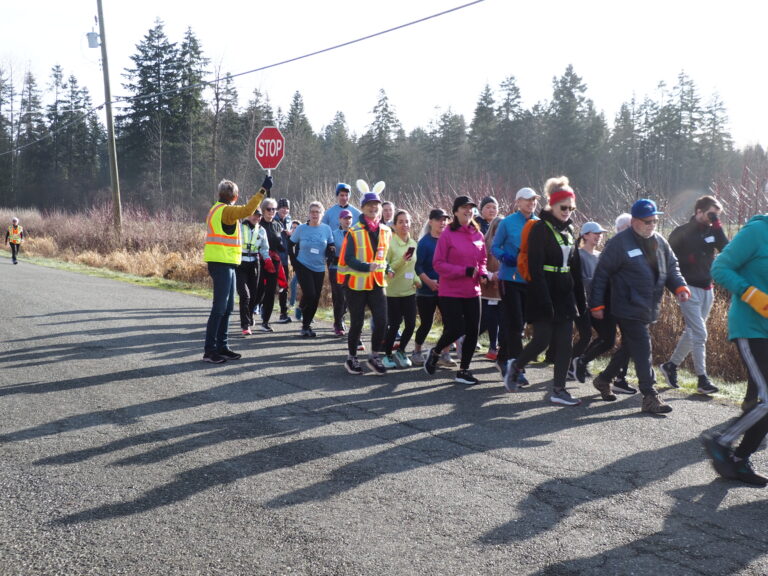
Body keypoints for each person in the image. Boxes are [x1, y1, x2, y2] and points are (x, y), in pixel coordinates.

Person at [589, 198, 690, 413]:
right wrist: (596, 304)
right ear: (634, 221)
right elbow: (601, 274)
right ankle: (650, 396)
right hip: (626, 305)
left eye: (654, 221)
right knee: (643, 347)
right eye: (647, 221)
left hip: (648, 306)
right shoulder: (619, 243)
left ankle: (604, 378)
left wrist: (680, 287)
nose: (652, 225)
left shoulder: (660, 241)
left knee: (630, 347)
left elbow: (671, 267)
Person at [503, 177, 586, 406]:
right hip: (543, 292)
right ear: (552, 205)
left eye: (571, 208)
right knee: (542, 341)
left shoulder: (570, 230)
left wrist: (582, 301)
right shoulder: (540, 228)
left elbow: (575, 269)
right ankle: (516, 366)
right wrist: (545, 300)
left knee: (565, 344)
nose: (568, 211)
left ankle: (558, 390)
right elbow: (535, 268)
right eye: (564, 207)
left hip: (565, 294)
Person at [704, 213, 768, 485]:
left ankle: (740, 460)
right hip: (752, 328)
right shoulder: (756, 232)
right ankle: (721, 440)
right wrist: (751, 293)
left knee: (763, 403)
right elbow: (719, 269)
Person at [659, 195, 728, 395]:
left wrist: (716, 223)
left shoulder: (713, 231)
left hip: (708, 288)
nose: (713, 217)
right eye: (710, 213)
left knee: (692, 332)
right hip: (687, 289)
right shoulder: (682, 232)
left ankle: (670, 366)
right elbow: (666, 260)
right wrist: (673, 287)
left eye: (717, 214)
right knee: (700, 333)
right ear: (698, 211)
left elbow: (726, 247)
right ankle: (702, 379)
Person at [203, 176, 270, 363]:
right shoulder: (226, 211)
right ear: (235, 196)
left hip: (226, 263)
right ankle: (210, 350)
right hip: (221, 263)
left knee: (227, 307)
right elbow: (249, 210)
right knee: (219, 308)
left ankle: (222, 346)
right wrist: (263, 190)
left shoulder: (218, 209)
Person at [424, 195, 488, 385]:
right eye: (464, 208)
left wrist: (482, 273)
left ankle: (464, 371)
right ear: (455, 211)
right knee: (456, 328)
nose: (468, 211)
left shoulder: (478, 234)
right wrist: (464, 271)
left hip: (473, 290)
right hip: (450, 291)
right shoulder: (447, 234)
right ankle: (435, 352)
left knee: (473, 331)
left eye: (471, 208)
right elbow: (438, 264)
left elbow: (482, 259)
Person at [337, 185, 392, 375]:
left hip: (377, 283)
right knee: (357, 322)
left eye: (376, 204)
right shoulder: (354, 231)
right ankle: (351, 357)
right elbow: (348, 258)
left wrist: (389, 268)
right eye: (369, 205)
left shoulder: (386, 230)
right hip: (356, 284)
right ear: (362, 208)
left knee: (382, 320)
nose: (373, 208)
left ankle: (374, 356)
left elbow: (384, 257)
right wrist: (366, 266)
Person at [492, 187, 540, 378]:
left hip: (531, 280)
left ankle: (502, 357)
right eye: (527, 200)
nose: (531, 203)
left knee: (518, 324)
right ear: (518, 202)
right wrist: (506, 257)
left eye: (534, 200)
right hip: (509, 278)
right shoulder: (507, 222)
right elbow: (495, 247)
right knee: (516, 323)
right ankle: (517, 368)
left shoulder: (539, 223)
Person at [412, 208, 455, 367]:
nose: (442, 222)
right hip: (426, 291)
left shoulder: (449, 240)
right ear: (431, 222)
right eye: (438, 219)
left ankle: (445, 354)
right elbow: (418, 267)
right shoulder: (424, 242)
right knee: (426, 323)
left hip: (446, 290)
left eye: (444, 219)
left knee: (450, 323)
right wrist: (429, 282)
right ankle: (417, 351)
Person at [289, 201, 335, 337]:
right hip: (303, 265)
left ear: (322, 214)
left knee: (315, 298)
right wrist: (294, 261)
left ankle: (306, 325)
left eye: (317, 212)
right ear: (309, 214)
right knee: (310, 294)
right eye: (312, 212)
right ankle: (302, 309)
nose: (315, 214)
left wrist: (331, 253)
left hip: (319, 267)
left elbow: (331, 245)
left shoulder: (326, 229)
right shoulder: (301, 229)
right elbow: (289, 244)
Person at [381, 210, 420, 368]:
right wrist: (401, 261)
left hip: (409, 290)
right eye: (401, 222)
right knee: (395, 324)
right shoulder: (390, 243)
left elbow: (413, 268)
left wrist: (417, 280)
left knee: (411, 324)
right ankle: (387, 355)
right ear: (394, 225)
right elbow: (385, 266)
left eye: (407, 221)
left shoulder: (413, 244)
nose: (405, 225)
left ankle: (402, 351)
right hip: (392, 292)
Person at [568, 221, 607, 378]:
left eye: (600, 233)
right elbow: (579, 280)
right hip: (581, 302)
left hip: (597, 304)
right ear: (585, 235)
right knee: (585, 336)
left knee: (605, 336)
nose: (599, 236)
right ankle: (572, 365)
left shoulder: (600, 256)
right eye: (595, 233)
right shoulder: (578, 254)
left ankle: (581, 362)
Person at [236, 210, 269, 335]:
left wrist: (268, 260)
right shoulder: (239, 227)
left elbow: (265, 249)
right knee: (245, 295)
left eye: (259, 216)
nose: (257, 218)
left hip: (255, 263)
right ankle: (245, 325)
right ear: (249, 214)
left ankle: (249, 316)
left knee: (254, 294)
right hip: (240, 263)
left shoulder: (261, 230)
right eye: (255, 215)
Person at [258, 197, 285, 332]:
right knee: (258, 291)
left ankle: (265, 321)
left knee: (270, 291)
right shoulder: (258, 224)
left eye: (274, 209)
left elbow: (280, 244)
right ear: (263, 211)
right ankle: (247, 317)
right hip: (259, 259)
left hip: (273, 261)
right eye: (269, 209)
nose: (271, 211)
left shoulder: (277, 225)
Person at [479, 214, 502, 361]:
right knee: (488, 319)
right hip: (487, 287)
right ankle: (463, 336)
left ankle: (495, 346)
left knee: (499, 318)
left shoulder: (509, 244)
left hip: (502, 287)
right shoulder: (485, 242)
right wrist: (490, 275)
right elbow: (480, 262)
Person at [329, 209, 353, 336]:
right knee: (338, 296)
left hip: (351, 270)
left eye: (349, 218)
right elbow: (329, 250)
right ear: (340, 220)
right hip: (336, 269)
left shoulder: (355, 234)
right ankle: (338, 323)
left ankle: (341, 318)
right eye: (345, 218)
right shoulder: (333, 233)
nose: (347, 220)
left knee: (348, 298)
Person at [274, 198, 293, 323]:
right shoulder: (273, 220)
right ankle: (259, 309)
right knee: (268, 287)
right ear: (277, 209)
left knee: (284, 286)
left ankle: (283, 312)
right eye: (282, 208)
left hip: (285, 259)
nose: (284, 210)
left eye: (287, 208)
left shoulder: (289, 220)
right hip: (273, 258)